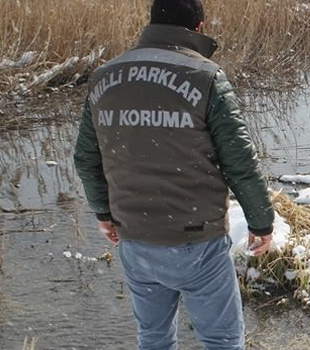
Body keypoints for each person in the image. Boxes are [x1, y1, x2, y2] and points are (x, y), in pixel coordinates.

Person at [73, 0, 275, 349]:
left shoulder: (105, 76)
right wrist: (261, 223)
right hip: (197, 240)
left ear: (150, 24)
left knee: (153, 336)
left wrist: (104, 214)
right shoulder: (206, 76)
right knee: (221, 339)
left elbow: (85, 158)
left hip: (134, 238)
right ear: (198, 29)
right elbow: (240, 161)